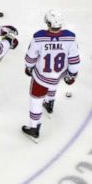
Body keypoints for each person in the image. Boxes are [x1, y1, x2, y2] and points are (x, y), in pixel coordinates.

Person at [21, 9, 80, 143]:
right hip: (58, 75)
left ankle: (34, 129)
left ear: (47, 23)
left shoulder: (39, 37)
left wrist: (28, 67)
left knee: (36, 101)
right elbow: (74, 60)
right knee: (53, 83)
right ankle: (49, 103)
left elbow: (30, 58)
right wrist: (72, 75)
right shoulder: (70, 37)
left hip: (41, 77)